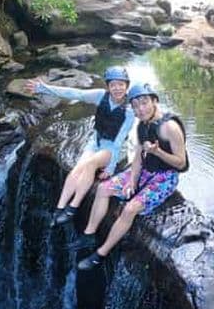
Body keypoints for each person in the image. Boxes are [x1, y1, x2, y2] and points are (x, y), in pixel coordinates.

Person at [77, 83, 189, 271]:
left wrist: (159, 152)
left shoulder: (170, 127)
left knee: (130, 209)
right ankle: (89, 234)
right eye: (135, 106)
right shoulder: (142, 126)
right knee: (104, 188)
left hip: (165, 177)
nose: (140, 109)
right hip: (145, 169)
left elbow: (181, 163)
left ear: (154, 101)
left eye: (144, 103)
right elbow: (137, 157)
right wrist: (132, 181)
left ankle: (101, 253)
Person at [25, 67, 134, 226]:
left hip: (112, 148)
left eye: (121, 84)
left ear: (126, 86)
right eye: (113, 85)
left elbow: (119, 140)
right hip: (95, 141)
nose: (117, 88)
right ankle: (59, 207)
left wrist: (110, 167)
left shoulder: (129, 110)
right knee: (78, 168)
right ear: (108, 86)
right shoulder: (100, 96)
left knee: (90, 164)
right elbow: (74, 93)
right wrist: (43, 88)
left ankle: (73, 207)